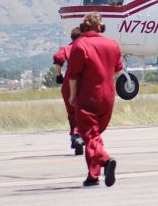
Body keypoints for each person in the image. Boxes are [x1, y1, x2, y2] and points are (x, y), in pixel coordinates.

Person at [68, 12, 123, 187]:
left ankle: (106, 160)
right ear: (100, 26)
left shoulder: (80, 45)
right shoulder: (112, 44)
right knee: (94, 136)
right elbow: (118, 70)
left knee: (89, 136)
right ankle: (93, 176)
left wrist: (72, 96)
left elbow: (73, 76)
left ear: (84, 26)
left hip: (88, 97)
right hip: (108, 97)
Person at [53, 27, 84, 155]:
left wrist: (58, 75)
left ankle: (75, 136)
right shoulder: (85, 47)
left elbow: (57, 58)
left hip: (68, 83)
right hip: (83, 83)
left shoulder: (67, 48)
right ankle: (79, 136)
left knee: (72, 113)